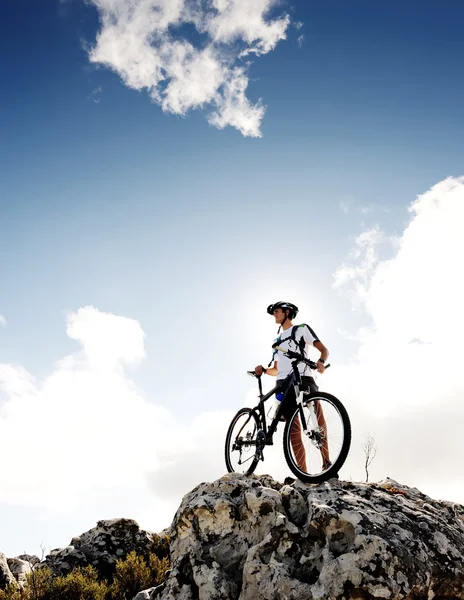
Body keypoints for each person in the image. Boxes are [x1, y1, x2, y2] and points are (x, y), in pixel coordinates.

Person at [255, 301, 331, 473]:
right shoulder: (277, 340)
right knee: (293, 429)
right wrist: (265, 370)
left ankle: (327, 462)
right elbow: (277, 369)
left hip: (303, 376)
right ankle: (302, 473)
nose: (274, 314)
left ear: (287, 312)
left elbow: (324, 350)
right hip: (283, 383)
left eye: (277, 311)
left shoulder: (301, 329)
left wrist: (321, 362)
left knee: (317, 414)